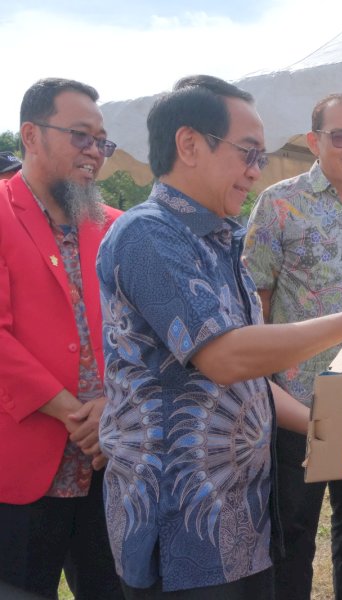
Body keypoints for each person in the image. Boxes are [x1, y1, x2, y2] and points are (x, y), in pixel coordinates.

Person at [97, 77, 342, 599]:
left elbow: (251, 372)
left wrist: (333, 421)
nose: (257, 168)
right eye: (248, 152)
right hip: (183, 518)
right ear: (189, 145)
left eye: (262, 154)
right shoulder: (149, 234)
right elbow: (227, 357)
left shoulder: (223, 238)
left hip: (240, 514)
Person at [243, 92, 342, 600]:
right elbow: (254, 305)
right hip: (295, 404)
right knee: (292, 534)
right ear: (314, 141)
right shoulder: (279, 203)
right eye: (340, 136)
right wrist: (261, 385)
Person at [0, 78, 123, 599]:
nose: (94, 151)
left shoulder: (117, 227)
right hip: (27, 463)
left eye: (101, 140)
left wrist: (114, 403)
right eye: (80, 136)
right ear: (31, 135)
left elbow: (144, 336)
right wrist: (76, 413)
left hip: (110, 460)